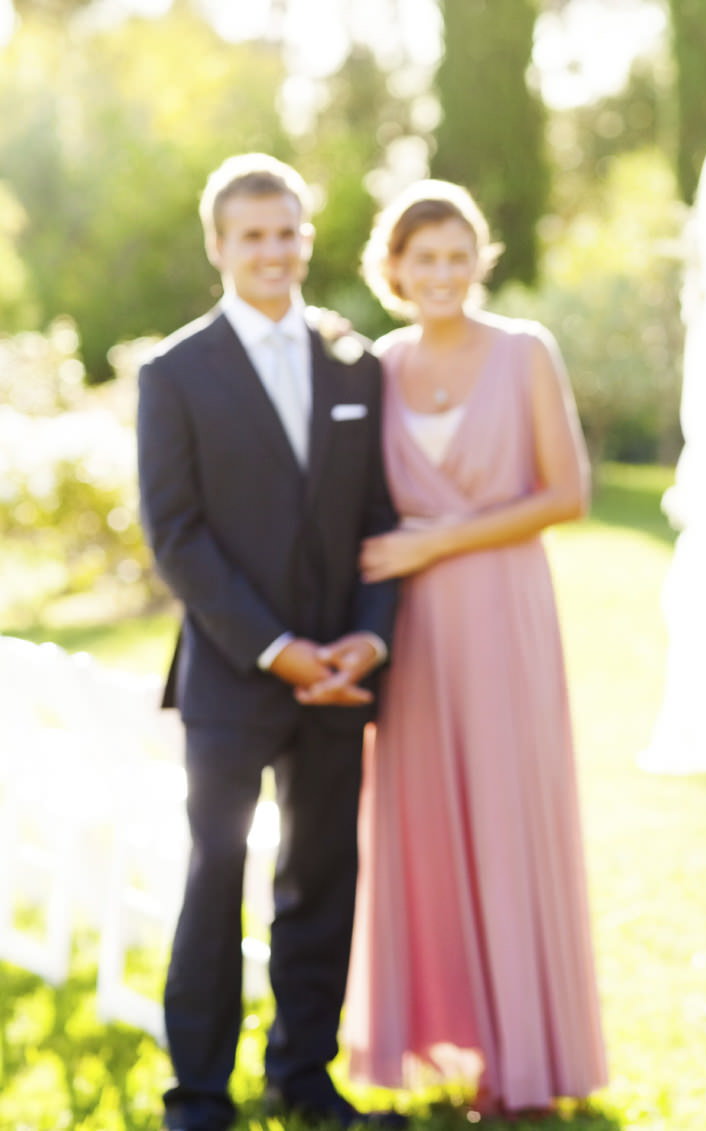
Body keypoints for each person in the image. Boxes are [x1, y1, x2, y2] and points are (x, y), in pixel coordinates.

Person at [137, 154, 403, 1131]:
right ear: (219, 246)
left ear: (306, 236)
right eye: (252, 236)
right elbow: (176, 534)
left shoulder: (354, 361)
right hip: (232, 679)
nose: (273, 252)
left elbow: (381, 512)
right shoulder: (174, 372)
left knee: (322, 880)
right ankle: (198, 1096)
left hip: (340, 676)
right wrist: (277, 647)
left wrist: (366, 643)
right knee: (214, 884)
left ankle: (305, 1078)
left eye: (287, 232)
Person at [341, 180, 608, 1116]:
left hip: (502, 613)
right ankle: (435, 1036)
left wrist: (434, 540)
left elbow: (567, 493)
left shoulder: (525, 351)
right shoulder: (374, 365)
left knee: (505, 815)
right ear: (394, 269)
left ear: (479, 260)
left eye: (460, 255)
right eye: (425, 259)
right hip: (409, 630)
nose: (444, 274)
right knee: (421, 825)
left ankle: (524, 1057)